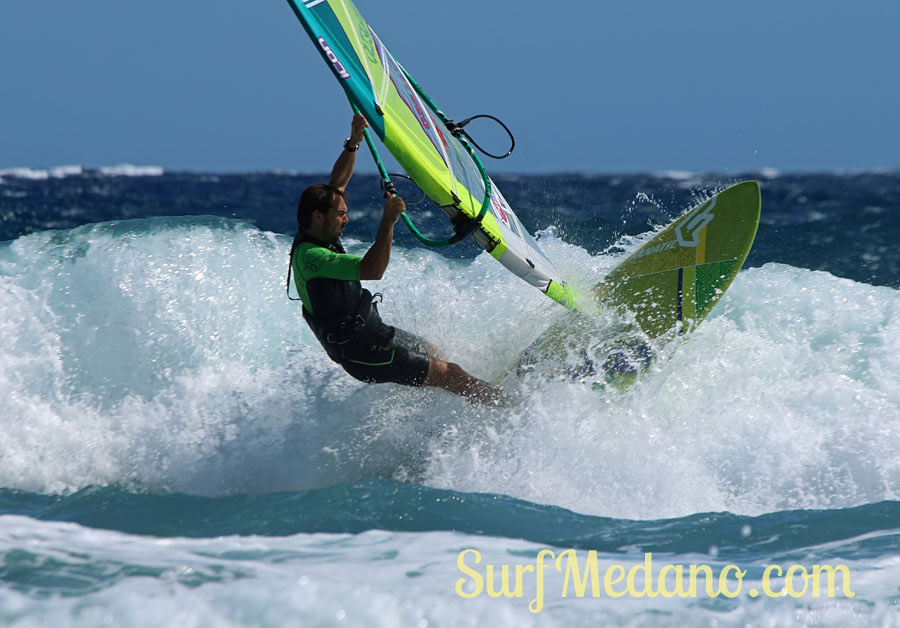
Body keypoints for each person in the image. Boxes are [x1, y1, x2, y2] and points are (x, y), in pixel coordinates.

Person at [287, 114, 506, 405]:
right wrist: (387, 222)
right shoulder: (312, 257)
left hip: (375, 332)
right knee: (449, 373)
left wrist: (354, 142)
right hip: (363, 353)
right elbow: (372, 270)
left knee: (435, 353)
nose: (346, 220)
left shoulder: (317, 230)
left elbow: (336, 185)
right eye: (341, 215)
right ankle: (510, 407)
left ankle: (467, 407)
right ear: (318, 216)